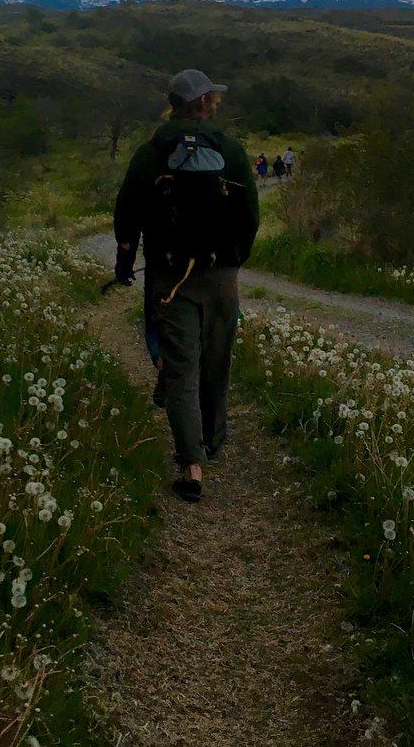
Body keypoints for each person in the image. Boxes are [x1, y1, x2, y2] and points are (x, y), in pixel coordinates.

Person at [113, 69, 259, 504]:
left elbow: (127, 215)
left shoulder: (151, 151)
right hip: (221, 278)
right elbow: (250, 212)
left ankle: (192, 465)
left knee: (180, 368)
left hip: (169, 277)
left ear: (174, 104)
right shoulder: (229, 149)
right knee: (218, 359)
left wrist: (125, 263)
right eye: (213, 97)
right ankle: (213, 439)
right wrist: (234, 260)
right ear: (204, 103)